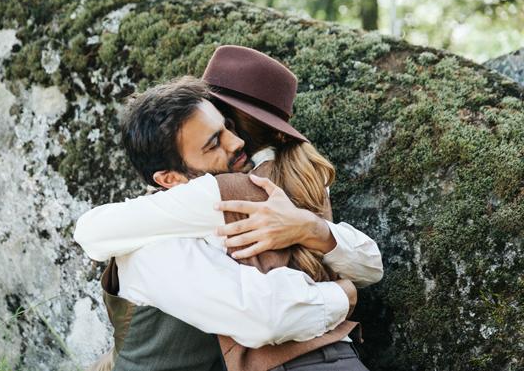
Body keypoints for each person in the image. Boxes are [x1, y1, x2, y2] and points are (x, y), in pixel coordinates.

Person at [75, 46, 382, 370]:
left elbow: (264, 317)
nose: (233, 144)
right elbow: (371, 264)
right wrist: (337, 284)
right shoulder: (305, 178)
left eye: (228, 128)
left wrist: (320, 252)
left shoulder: (224, 194)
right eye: (213, 141)